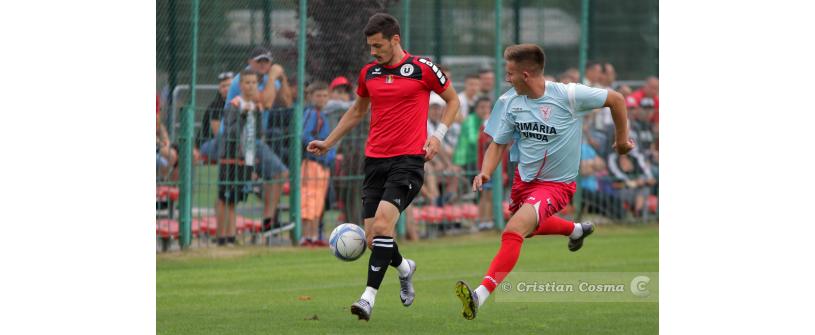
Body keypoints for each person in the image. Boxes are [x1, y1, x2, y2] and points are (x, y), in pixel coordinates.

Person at [455, 44, 634, 320]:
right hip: (524, 182)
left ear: (526, 75)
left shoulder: (568, 95)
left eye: (510, 73)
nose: (507, 78)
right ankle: (575, 230)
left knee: (513, 230)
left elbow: (617, 100)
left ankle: (479, 295)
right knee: (525, 226)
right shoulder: (509, 102)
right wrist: (485, 172)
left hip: (557, 185)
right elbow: (498, 144)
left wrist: (621, 142)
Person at [306, 13, 460, 321]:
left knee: (382, 226)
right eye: (370, 46)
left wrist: (438, 136)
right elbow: (357, 110)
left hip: (408, 161)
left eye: (378, 46)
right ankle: (404, 267)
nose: (374, 52)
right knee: (374, 237)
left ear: (395, 40)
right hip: (375, 160)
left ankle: (367, 298)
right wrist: (329, 141)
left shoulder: (423, 68)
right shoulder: (369, 73)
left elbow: (452, 101)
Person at [207, 47, 293, 234]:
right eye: (259, 61)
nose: (263, 65)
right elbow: (266, 102)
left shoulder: (271, 81)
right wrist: (272, 78)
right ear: (250, 62)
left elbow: (287, 101)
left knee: (278, 174)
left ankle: (268, 222)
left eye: (267, 62)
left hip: (252, 140)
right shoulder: (244, 80)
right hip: (232, 139)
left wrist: (282, 78)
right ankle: (222, 234)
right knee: (227, 191)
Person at [215, 69, 262, 246]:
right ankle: (221, 236)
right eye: (247, 82)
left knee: (235, 199)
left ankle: (230, 236)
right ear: (240, 85)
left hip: (246, 158)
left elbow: (257, 134)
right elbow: (230, 132)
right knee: (224, 197)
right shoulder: (234, 105)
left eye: (254, 83)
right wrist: (243, 115)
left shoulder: (256, 107)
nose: (251, 86)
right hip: (230, 157)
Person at [300, 82, 335, 247]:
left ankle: (314, 236)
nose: (322, 99)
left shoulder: (324, 115)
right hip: (312, 163)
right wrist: (319, 150)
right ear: (310, 97)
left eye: (325, 95)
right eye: (318, 95)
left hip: (323, 165)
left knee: (318, 201)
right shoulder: (312, 114)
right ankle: (306, 236)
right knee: (309, 199)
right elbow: (305, 135)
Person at [198, 72, 233, 152]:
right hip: (210, 142)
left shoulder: (238, 102)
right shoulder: (215, 106)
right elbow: (218, 133)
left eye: (229, 85)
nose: (226, 89)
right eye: (223, 86)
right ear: (219, 89)